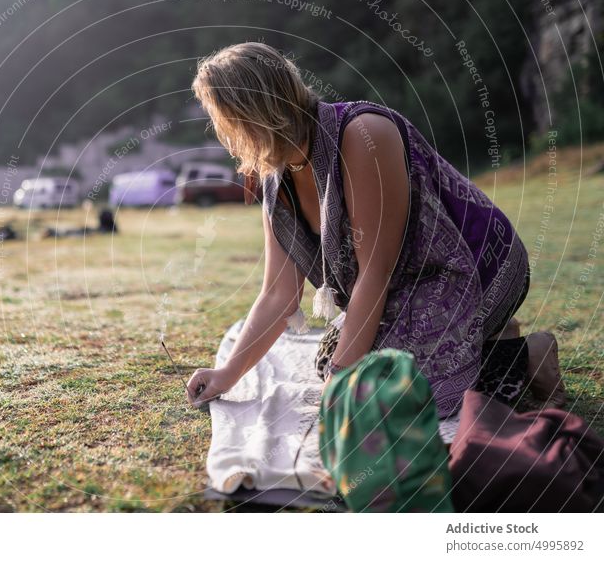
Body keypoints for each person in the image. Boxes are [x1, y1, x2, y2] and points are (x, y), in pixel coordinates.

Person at [185, 42, 565, 416]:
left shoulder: (362, 134)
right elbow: (278, 293)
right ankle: (487, 341)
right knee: (333, 364)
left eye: (224, 119)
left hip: (473, 268)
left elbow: (375, 271)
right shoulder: (276, 175)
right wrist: (227, 374)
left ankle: (528, 356)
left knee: (379, 389)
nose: (225, 134)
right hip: (406, 286)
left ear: (254, 113)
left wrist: (343, 376)